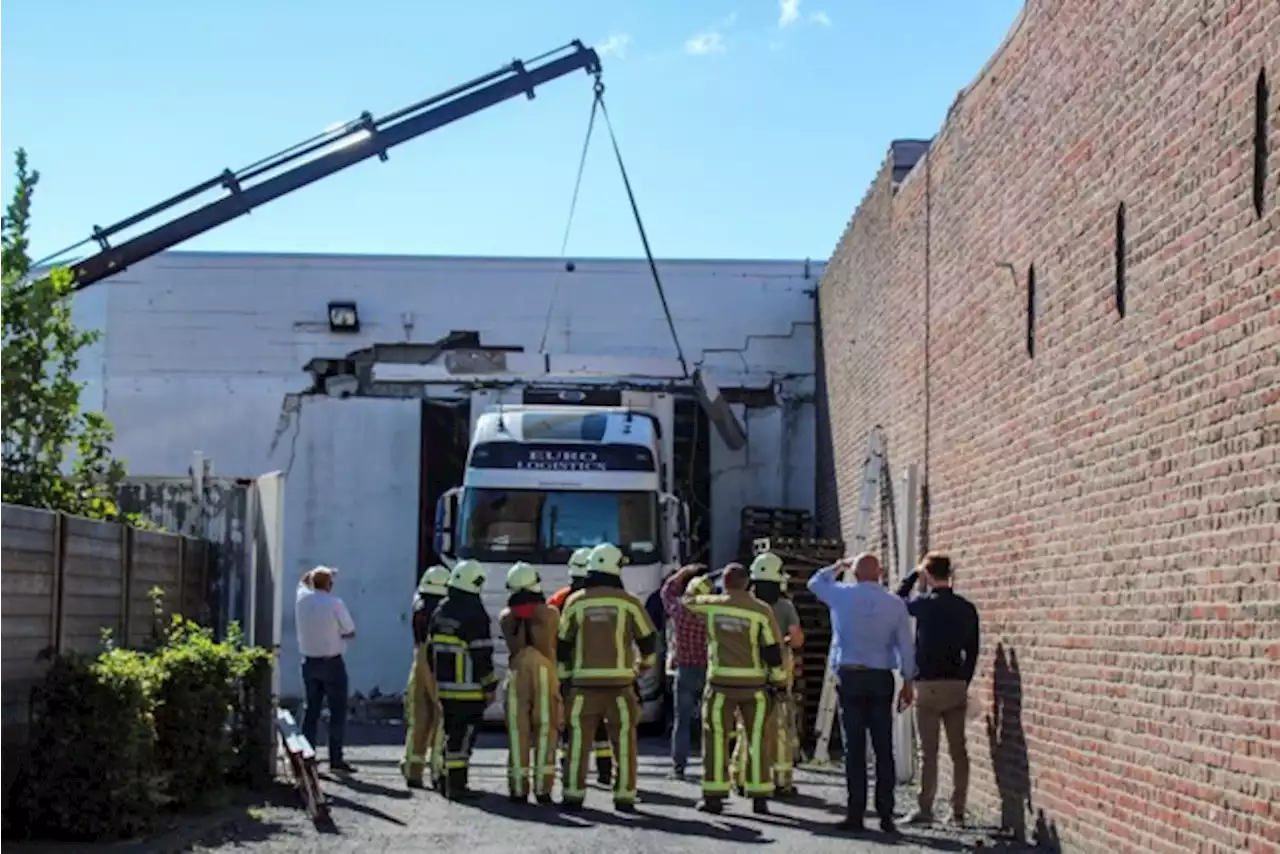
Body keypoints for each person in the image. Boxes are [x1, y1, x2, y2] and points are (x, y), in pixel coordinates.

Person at [808, 553, 916, 835]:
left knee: (854, 748)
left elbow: (815, 582)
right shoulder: (895, 604)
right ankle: (886, 814)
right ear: (881, 573)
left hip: (851, 674)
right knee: (883, 747)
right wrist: (908, 680)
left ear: (854, 574)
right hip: (881, 677)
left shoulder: (842, 595)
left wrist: (838, 565)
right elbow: (906, 644)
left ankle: (856, 813)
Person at [556, 542, 659, 812]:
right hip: (620, 686)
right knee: (624, 740)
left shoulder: (575, 602)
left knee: (578, 740)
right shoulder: (629, 602)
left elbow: (562, 645)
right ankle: (624, 795)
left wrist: (565, 679)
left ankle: (572, 793)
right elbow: (648, 639)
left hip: (582, 686)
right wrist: (643, 666)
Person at [683, 562, 788, 816]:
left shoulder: (712, 605)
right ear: (748, 583)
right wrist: (779, 682)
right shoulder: (761, 610)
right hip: (754, 686)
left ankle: (714, 797)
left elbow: (687, 599)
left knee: (716, 738)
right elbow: (773, 650)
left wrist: (706, 578)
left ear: (726, 583)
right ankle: (759, 797)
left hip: (720, 684)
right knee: (757, 740)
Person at [895, 552, 980, 827]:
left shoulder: (924, 604)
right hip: (956, 683)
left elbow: (898, 600)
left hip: (928, 684)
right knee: (959, 750)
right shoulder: (967, 608)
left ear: (929, 575)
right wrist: (964, 681)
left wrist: (912, 574)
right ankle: (958, 811)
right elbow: (973, 650)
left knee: (928, 752)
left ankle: (925, 808)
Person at [733, 551, 804, 798]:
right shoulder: (785, 606)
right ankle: (781, 780)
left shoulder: (747, 604)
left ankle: (741, 777)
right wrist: (783, 640)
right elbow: (796, 639)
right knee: (780, 726)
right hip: (778, 675)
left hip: (748, 672)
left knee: (747, 725)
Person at [427, 559, 498, 800]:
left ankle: (444, 779)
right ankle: (457, 786)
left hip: (445, 688)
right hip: (468, 690)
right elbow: (481, 654)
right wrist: (489, 685)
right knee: (463, 738)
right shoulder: (475, 614)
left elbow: (429, 651)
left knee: (450, 733)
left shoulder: (440, 611)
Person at [548, 547, 613, 785]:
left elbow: (551, 633)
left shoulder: (560, 598)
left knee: (570, 722)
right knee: (600, 724)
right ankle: (605, 770)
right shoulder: (602, 599)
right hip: (598, 668)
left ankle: (569, 768)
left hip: (567, 671)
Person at [499, 561, 561, 805]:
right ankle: (543, 789)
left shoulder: (506, 617)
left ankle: (517, 788)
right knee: (547, 729)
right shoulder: (551, 614)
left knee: (518, 731)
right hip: (546, 672)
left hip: (516, 674)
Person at [295, 566, 356, 773]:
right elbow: (350, 631)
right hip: (332, 662)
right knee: (337, 711)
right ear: (330, 585)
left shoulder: (301, 601)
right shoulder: (335, 604)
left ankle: (308, 756)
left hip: (309, 662)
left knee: (311, 710)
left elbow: (302, 583)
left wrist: (317, 573)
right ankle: (335, 759)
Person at [660, 563, 712, 780]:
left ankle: (678, 767)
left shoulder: (680, 611)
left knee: (681, 721)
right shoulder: (713, 613)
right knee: (712, 721)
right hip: (711, 670)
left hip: (685, 670)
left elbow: (667, 592)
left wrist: (684, 572)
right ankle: (715, 765)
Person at [401, 564, 450, 789]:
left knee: (418, 716)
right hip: (435, 660)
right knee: (441, 715)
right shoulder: (441, 608)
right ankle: (439, 770)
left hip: (417, 658)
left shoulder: (418, 603)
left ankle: (413, 769)